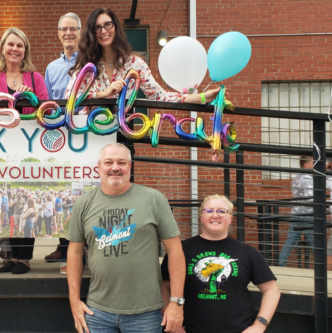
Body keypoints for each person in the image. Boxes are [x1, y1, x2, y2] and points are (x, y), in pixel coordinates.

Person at [66, 142, 186, 333]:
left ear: (130, 166)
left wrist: (176, 302)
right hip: (96, 311)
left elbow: (175, 250)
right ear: (99, 167)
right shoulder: (84, 203)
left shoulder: (153, 199)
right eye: (109, 162)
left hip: (145, 313)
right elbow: (74, 252)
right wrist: (74, 300)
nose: (115, 167)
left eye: (121, 162)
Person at [65, 8, 221, 114]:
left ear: (115, 27)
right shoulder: (87, 64)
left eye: (108, 25)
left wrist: (201, 98)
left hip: (123, 132)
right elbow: (68, 97)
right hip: (90, 133)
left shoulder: (134, 63)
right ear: (92, 33)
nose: (103, 31)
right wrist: (103, 94)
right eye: (97, 27)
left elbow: (158, 96)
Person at [161, 195, 280, 332]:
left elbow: (271, 290)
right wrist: (170, 319)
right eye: (209, 211)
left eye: (222, 211)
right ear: (201, 217)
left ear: (230, 219)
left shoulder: (247, 252)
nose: (215, 215)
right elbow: (164, 286)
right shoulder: (180, 250)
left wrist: (259, 325)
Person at [0, 27, 49, 115]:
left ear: (25, 51)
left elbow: (48, 111)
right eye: (10, 44)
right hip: (1, 128)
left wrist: (32, 98)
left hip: (30, 128)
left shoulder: (36, 78)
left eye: (20, 46)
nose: (15, 49)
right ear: (2, 49)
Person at [278, 156, 315, 267]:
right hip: (308, 214)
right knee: (316, 243)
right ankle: (323, 267)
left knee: (290, 241)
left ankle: (280, 264)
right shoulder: (308, 179)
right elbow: (311, 197)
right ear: (306, 165)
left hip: (296, 213)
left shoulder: (297, 178)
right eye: (313, 162)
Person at [45, 13, 81, 104]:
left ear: (80, 33)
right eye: (64, 29)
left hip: (85, 117)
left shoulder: (90, 63)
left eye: (73, 29)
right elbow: (48, 102)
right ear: (59, 34)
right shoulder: (51, 68)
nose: (68, 33)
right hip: (58, 118)